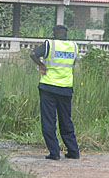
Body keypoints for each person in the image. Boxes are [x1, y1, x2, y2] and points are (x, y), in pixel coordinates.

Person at [30, 25, 80, 160]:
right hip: (66, 87)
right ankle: (73, 151)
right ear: (66, 33)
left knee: (49, 121)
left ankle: (54, 153)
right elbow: (73, 63)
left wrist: (41, 64)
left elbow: (33, 54)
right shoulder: (74, 46)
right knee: (66, 120)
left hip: (49, 87)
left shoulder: (50, 44)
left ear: (54, 34)